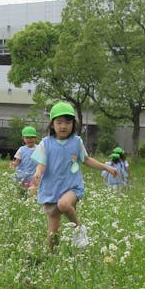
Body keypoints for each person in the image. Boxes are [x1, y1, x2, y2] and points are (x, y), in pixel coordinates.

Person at [29, 102, 118, 250]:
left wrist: (106, 167)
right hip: (51, 190)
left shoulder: (76, 142)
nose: (63, 126)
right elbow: (41, 163)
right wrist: (38, 173)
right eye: (59, 122)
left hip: (72, 186)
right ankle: (51, 259)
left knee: (64, 204)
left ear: (73, 124)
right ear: (52, 125)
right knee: (53, 235)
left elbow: (87, 160)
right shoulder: (45, 143)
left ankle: (79, 229)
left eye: (67, 122)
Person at [9, 126, 39, 196]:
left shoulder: (39, 148)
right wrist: (14, 164)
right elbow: (17, 161)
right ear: (23, 138)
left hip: (34, 174)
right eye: (27, 138)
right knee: (22, 190)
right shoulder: (21, 149)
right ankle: (22, 199)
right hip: (23, 174)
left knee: (33, 189)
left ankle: (31, 202)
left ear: (35, 138)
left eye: (32, 137)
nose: (29, 139)